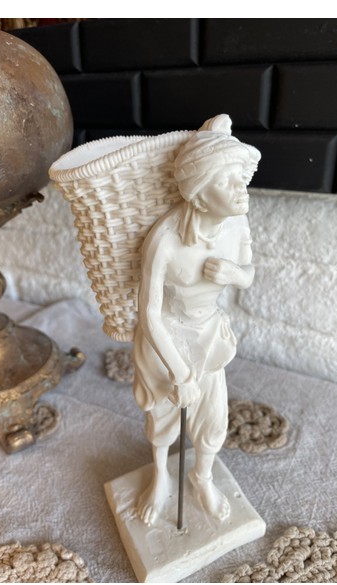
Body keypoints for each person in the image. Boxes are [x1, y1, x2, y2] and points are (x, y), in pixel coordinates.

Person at [132, 114, 261, 526]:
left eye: (240, 177)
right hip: (164, 337)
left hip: (207, 333)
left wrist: (234, 274)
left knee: (213, 415)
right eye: (226, 180)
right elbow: (148, 312)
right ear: (200, 198)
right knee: (163, 416)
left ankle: (201, 476)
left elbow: (249, 274)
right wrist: (179, 372)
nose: (240, 187)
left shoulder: (237, 224)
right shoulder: (165, 241)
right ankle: (161, 475)